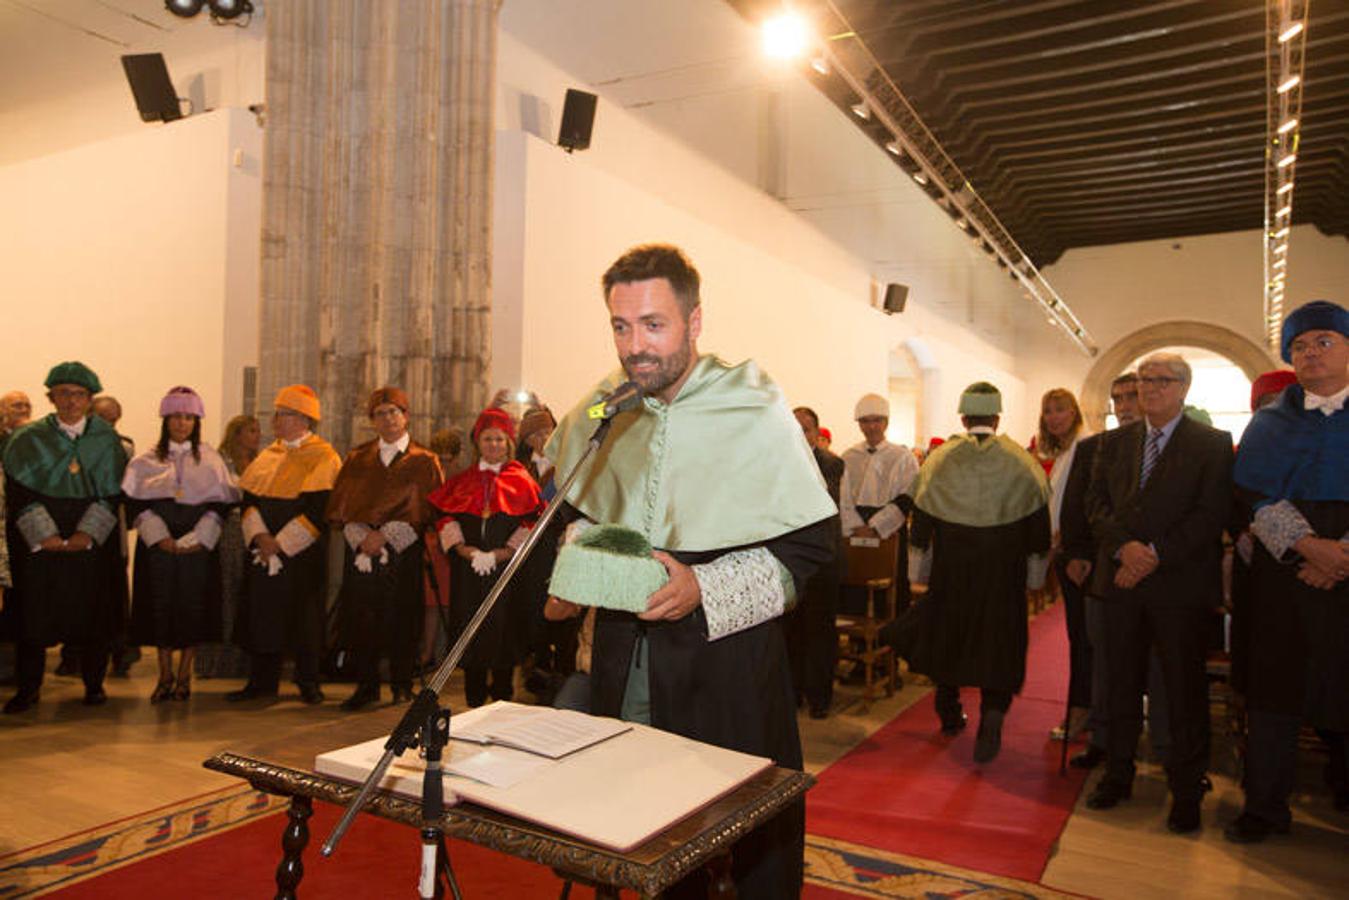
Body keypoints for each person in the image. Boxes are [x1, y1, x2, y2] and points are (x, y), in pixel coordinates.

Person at [542, 243, 836, 897]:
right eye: (620, 327)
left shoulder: (753, 406)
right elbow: (582, 477)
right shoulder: (610, 401)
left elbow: (811, 551)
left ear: (694, 321)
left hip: (721, 661)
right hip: (624, 656)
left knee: (733, 838)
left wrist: (702, 585)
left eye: (653, 325)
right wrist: (577, 555)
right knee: (635, 834)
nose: (634, 347)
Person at [1084, 352, 1233, 834]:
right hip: (1122, 582)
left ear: (1184, 388)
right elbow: (1096, 504)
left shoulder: (1211, 444)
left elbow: (1210, 515)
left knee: (1183, 693)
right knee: (1120, 684)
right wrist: (1125, 548)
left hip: (1179, 586)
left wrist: (1152, 554)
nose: (1149, 389)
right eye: (1144, 380)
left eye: (1161, 381)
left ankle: (1187, 790)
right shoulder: (1114, 442)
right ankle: (1118, 774)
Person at [1225, 301, 1349, 842]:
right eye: (1299, 346)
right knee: (1275, 691)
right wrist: (1306, 548)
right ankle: (1266, 807)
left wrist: (1342, 556)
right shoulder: (1271, 421)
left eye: (1323, 341)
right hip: (1284, 574)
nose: (1310, 353)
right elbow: (1253, 493)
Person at [901, 382, 1051, 764]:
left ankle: (948, 710)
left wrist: (919, 569)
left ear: (964, 417)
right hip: (1004, 576)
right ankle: (993, 714)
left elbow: (922, 520)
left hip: (953, 573)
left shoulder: (940, 459)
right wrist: (1035, 579)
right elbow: (1038, 525)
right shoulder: (1022, 462)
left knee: (950, 636)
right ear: (997, 418)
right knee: (999, 643)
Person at [3, 362, 129, 713]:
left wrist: (85, 535)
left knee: (93, 613)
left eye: (78, 394)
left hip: (89, 543)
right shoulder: (27, 439)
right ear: (51, 398)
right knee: (34, 616)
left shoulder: (107, 440)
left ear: (89, 399)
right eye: (64, 394)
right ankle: (28, 689)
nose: (71, 401)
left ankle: (93, 684)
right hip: (39, 543)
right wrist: (45, 536)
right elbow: (18, 493)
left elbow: (113, 495)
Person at [326, 387, 444, 710]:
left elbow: (428, 511)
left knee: (402, 617)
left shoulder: (425, 460)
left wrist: (388, 537)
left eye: (394, 412)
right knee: (362, 617)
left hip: (402, 551)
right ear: (372, 420)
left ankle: (402, 684)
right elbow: (343, 507)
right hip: (361, 550)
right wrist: (363, 537)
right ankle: (366, 685)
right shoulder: (356, 458)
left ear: (406, 417)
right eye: (381, 413)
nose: (388, 418)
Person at [121, 387, 240, 702]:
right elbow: (132, 503)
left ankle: (185, 676)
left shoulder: (211, 459)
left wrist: (200, 536)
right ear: (166, 419)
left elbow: (222, 505)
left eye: (188, 417)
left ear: (196, 421)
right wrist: (158, 535)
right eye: (176, 416)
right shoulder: (146, 460)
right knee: (160, 606)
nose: (182, 423)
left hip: (196, 547)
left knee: (192, 607)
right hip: (157, 546)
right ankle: (164, 675)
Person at [227, 385, 341, 705]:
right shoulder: (269, 454)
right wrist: (261, 538)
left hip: (301, 554)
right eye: (277, 414)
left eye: (285, 415)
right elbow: (248, 500)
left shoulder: (324, 456)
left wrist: (280, 544)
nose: (277, 421)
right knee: (262, 614)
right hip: (264, 550)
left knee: (304, 618)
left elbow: (320, 509)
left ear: (305, 419)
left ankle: (308, 682)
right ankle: (261, 682)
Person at [428, 407, 542, 708]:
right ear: (478, 442)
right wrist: (464, 550)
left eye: (499, 440)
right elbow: (444, 517)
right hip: (468, 572)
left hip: (505, 572)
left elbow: (532, 521)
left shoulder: (522, 479)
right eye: (488, 439)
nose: (494, 445)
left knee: (504, 632)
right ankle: (473, 701)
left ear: (508, 444)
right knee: (470, 633)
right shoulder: (462, 479)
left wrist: (502, 553)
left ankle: (503, 699)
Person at [1035, 388, 1090, 741]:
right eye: (1049, 411)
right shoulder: (1067, 450)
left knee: (1084, 638)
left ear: (1075, 412)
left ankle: (1082, 710)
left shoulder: (1085, 446)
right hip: (1063, 550)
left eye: (1061, 410)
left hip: (1077, 554)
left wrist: (1068, 545)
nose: (1054, 417)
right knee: (1080, 637)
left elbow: (1085, 505)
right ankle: (1082, 707)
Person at [195, 414, 262, 679]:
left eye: (257, 431)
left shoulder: (259, 462)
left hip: (250, 530)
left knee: (244, 592)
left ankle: (242, 660)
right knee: (223, 592)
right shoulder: (221, 460)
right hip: (225, 530)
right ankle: (216, 660)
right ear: (237, 434)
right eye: (251, 431)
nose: (256, 436)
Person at [788, 406, 844, 718]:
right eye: (793, 427)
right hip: (792, 563)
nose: (799, 433)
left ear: (816, 433)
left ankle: (820, 697)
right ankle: (793, 691)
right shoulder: (778, 463)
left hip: (823, 562)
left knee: (820, 632)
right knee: (791, 631)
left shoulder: (832, 463)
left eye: (805, 428)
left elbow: (817, 503)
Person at [839, 393, 919, 613]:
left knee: (889, 586)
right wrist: (855, 526)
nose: (871, 426)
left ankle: (890, 640)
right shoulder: (848, 456)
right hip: (855, 529)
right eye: (865, 421)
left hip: (888, 528)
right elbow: (842, 496)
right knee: (856, 584)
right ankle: (857, 643)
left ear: (886, 422)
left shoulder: (903, 457)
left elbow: (907, 496)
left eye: (877, 420)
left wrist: (876, 527)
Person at [0, 391, 32, 455]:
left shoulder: (36, 435)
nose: (24, 410)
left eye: (28, 406)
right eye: (18, 406)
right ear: (2, 410)